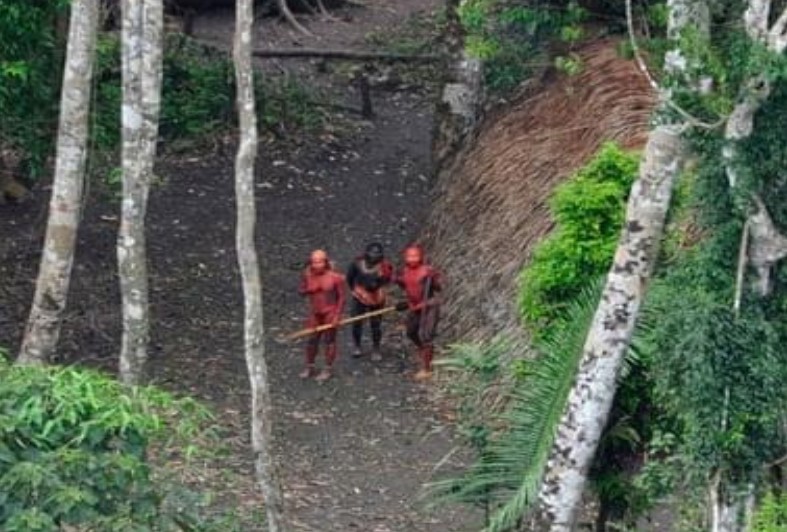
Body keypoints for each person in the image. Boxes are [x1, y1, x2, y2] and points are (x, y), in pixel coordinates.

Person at [395, 244, 442, 381]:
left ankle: (426, 368)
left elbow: (438, 288)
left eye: (415, 256)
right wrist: (396, 279)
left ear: (421, 257)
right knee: (411, 331)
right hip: (414, 306)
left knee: (425, 336)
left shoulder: (426, 271)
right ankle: (425, 351)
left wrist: (434, 278)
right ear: (405, 257)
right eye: (410, 256)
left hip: (429, 306)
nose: (412, 259)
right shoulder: (404, 271)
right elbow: (405, 286)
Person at [298, 249, 346, 381]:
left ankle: (327, 368)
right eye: (314, 262)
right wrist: (309, 290)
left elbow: (342, 298)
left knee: (329, 340)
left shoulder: (335, 278)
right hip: (315, 312)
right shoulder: (307, 275)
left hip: (329, 312)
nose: (317, 265)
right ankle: (309, 366)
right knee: (312, 340)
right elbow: (301, 291)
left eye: (320, 262)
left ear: (325, 262)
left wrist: (337, 315)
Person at [346, 242, 394, 361]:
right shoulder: (356, 264)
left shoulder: (384, 267)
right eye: (372, 253)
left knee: (376, 324)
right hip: (359, 295)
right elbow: (349, 278)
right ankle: (357, 346)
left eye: (377, 254)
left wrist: (377, 284)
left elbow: (387, 280)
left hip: (376, 297)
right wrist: (354, 290)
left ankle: (376, 348)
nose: (374, 256)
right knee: (356, 322)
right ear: (366, 254)